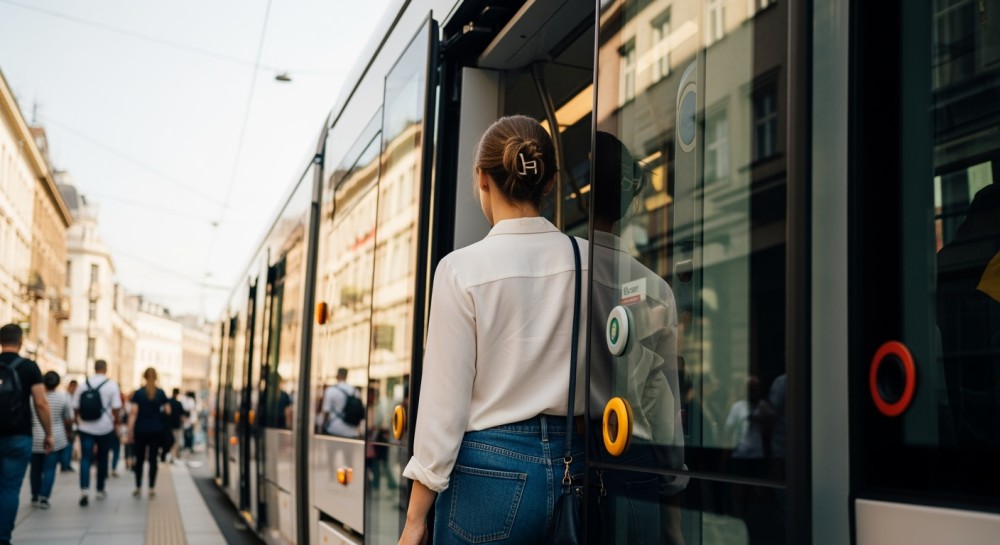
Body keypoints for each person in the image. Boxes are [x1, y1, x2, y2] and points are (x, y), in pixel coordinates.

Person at [398, 115, 586, 545]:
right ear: (552, 182)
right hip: (578, 463)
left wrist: (414, 520)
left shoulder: (461, 269)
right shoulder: (593, 264)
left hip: (488, 474)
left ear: (482, 178)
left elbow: (443, 408)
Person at [0, 323, 52, 545]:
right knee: (10, 488)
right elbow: (40, 403)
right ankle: (3, 538)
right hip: (19, 434)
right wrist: (49, 433)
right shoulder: (29, 367)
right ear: (20, 341)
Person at [72, 359, 122, 507]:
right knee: (103, 458)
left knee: (86, 458)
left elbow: (75, 406)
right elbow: (116, 408)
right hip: (105, 427)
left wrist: (78, 420)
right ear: (106, 369)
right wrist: (115, 422)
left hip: (86, 427)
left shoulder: (83, 385)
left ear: (94, 368)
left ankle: (84, 490)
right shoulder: (111, 385)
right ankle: (100, 489)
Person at [29, 371, 73, 509]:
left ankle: (35, 495)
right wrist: (68, 430)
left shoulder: (32, 398)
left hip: (34, 437)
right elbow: (68, 419)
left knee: (35, 469)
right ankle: (44, 497)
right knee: (50, 469)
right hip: (56, 437)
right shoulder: (63, 397)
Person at [127, 367, 170, 497]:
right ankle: (151, 487)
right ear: (156, 377)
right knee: (153, 459)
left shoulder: (138, 393)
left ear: (144, 377)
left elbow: (134, 413)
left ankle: (138, 487)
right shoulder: (161, 393)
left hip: (140, 430)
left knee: (139, 459)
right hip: (156, 430)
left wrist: (130, 430)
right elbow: (168, 411)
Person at [319, 368, 360, 438]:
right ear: (346, 376)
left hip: (334, 429)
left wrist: (322, 427)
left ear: (337, 376)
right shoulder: (354, 391)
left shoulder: (331, 390)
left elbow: (326, 412)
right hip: (351, 431)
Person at [59, 379, 77, 472]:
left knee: (70, 445)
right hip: (66, 425)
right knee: (67, 445)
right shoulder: (65, 396)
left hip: (71, 425)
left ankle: (67, 463)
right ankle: (65, 464)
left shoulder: (73, 397)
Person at [165, 388, 185, 462]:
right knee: (176, 441)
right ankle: (172, 456)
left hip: (167, 425)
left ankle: (170, 455)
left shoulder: (168, 401)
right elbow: (182, 416)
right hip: (176, 425)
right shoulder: (178, 403)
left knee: (170, 441)